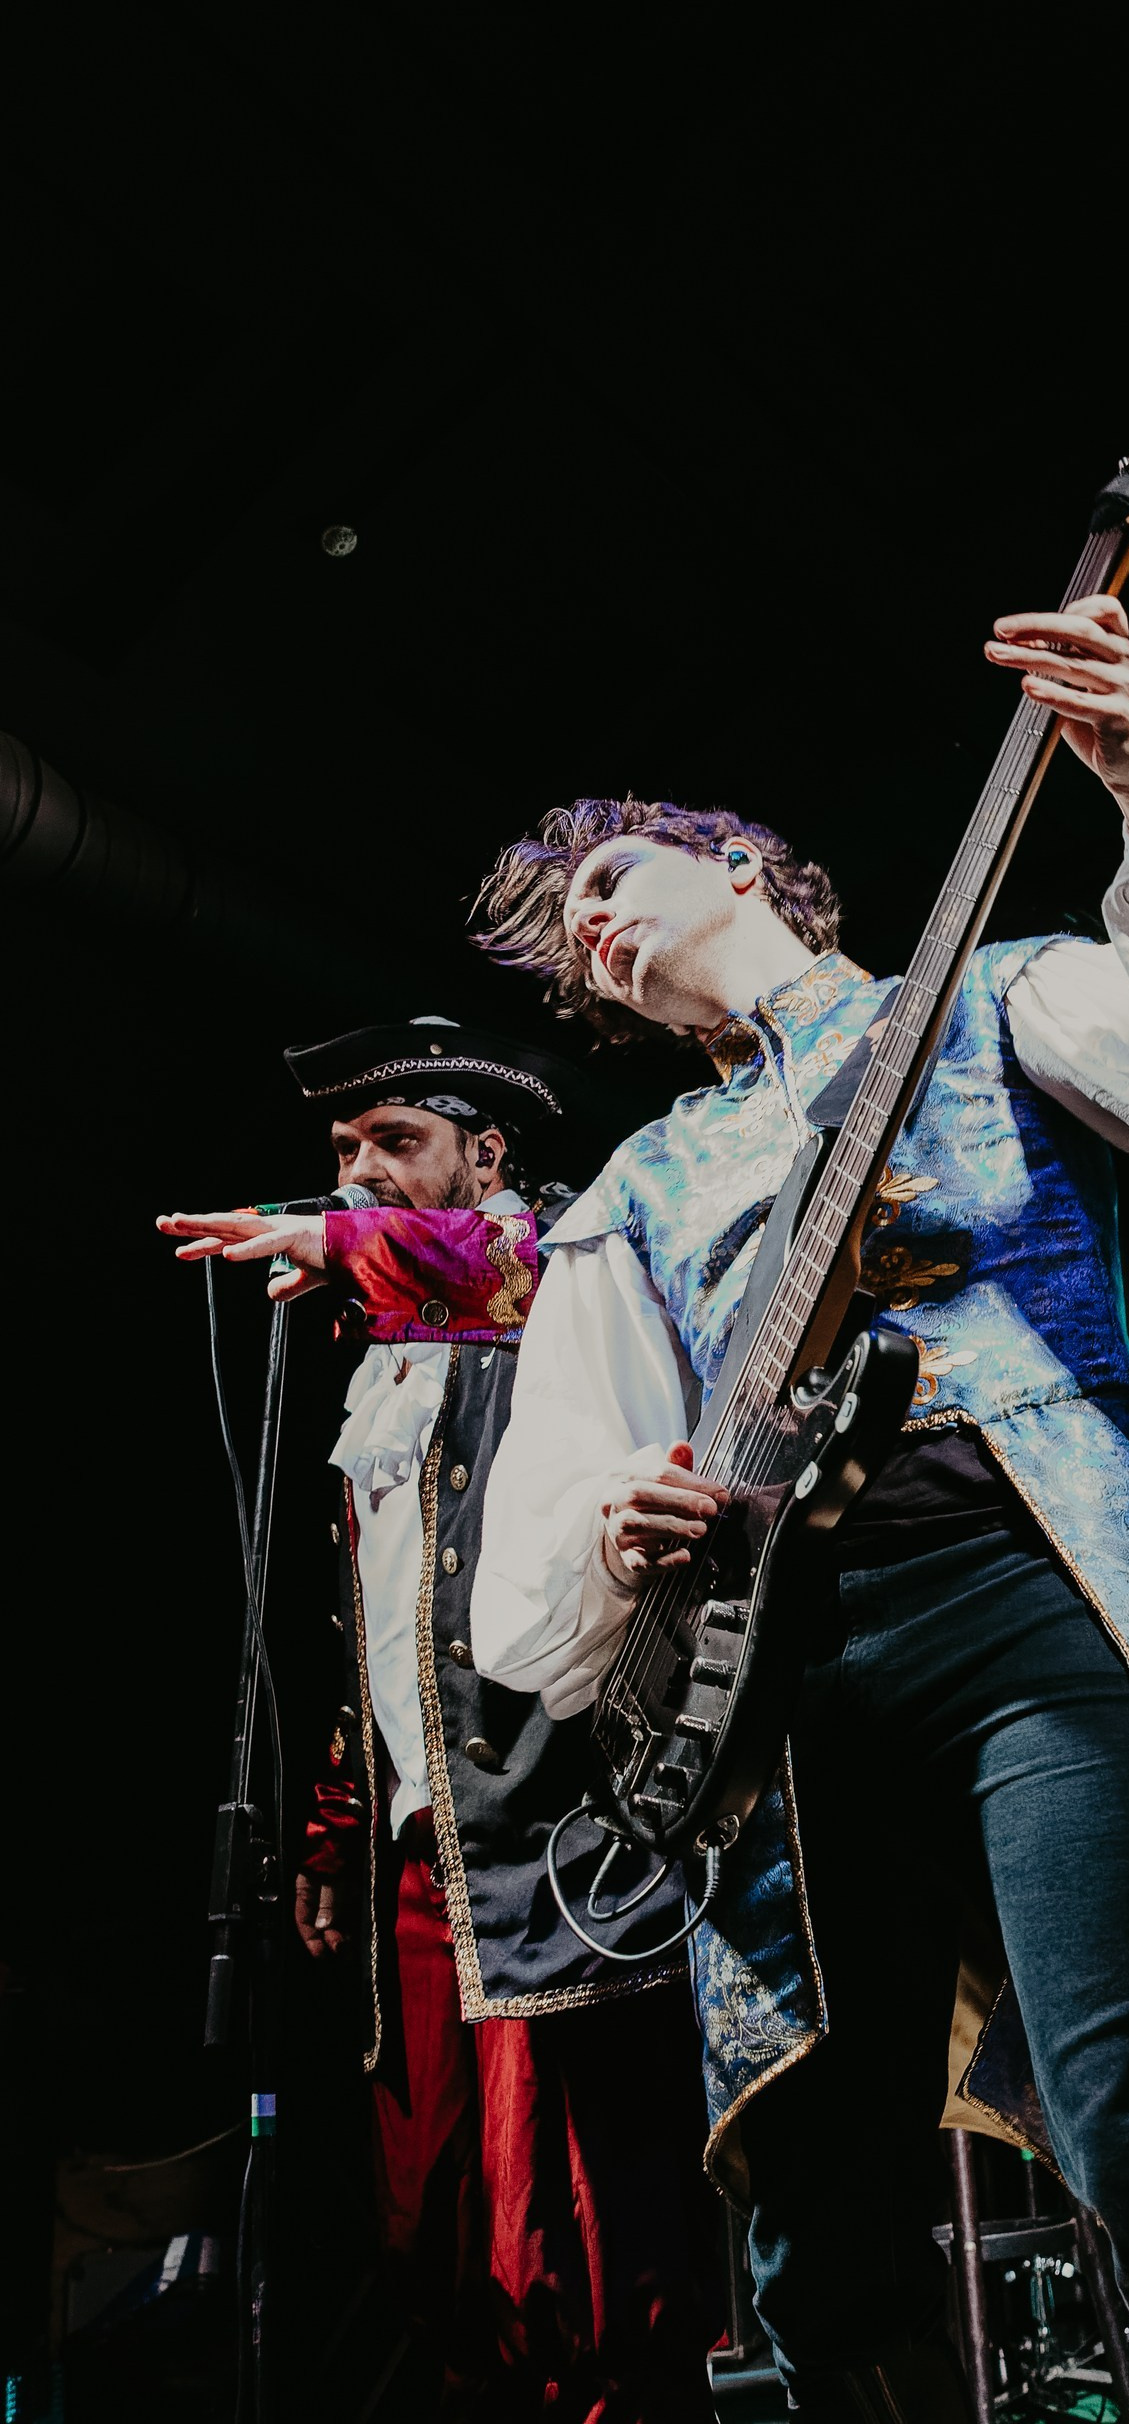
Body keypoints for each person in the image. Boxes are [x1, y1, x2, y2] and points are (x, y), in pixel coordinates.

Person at [459, 591, 1129, 2423]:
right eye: (569, 935)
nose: (587, 924)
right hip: (783, 1687)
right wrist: (617, 1521)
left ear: (738, 861)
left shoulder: (991, 1005)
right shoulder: (637, 1188)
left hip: (1028, 1607)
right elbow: (561, 1508)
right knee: (817, 2235)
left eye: (610, 875)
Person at [159, 1017, 719, 2423]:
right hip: (422, 1850)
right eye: (343, 1149)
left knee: (576, 2233)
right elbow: (382, 1626)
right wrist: (338, 1821)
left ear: (487, 1154)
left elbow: (505, 1262)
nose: (359, 1173)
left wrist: (333, 1238)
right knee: (437, 2225)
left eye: (395, 1142)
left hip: (558, 1828)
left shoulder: (554, 1277)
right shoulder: (382, 1367)